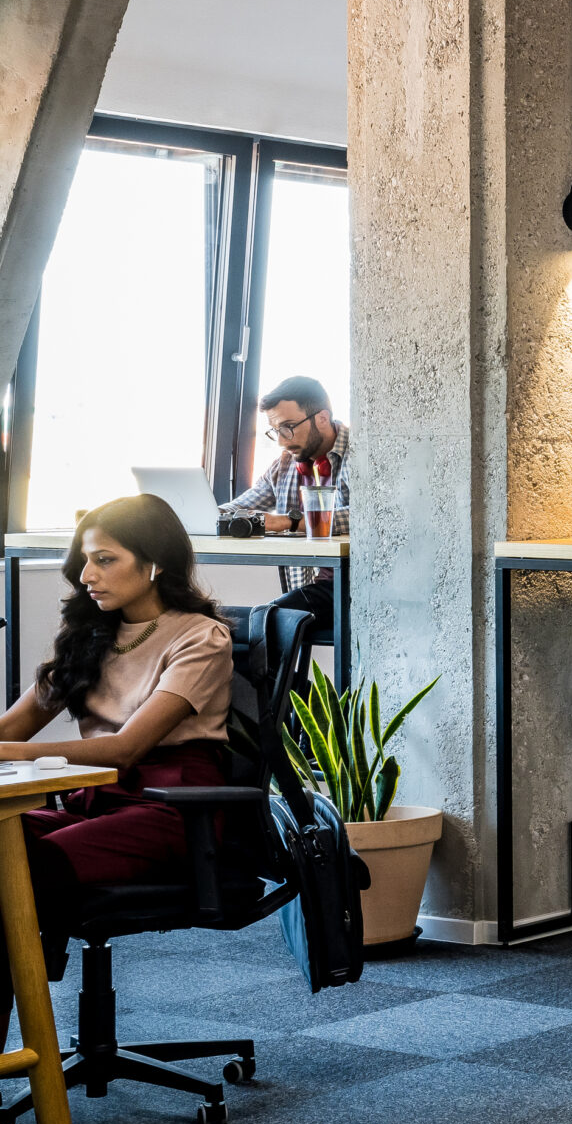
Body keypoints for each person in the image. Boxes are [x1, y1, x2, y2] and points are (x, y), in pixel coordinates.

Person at [0, 495, 234, 936]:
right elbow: (12, 727)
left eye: (105, 560)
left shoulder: (202, 638)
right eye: (85, 561)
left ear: (156, 562)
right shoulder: (90, 634)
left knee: (18, 867)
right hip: (93, 802)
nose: (87, 575)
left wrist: (8, 753)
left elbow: (126, 750)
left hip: (168, 810)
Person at [218, 376, 349, 635]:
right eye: (276, 430)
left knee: (264, 621)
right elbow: (242, 506)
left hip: (356, 587)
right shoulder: (285, 464)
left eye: (288, 427)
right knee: (231, 621)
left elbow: (372, 518)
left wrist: (289, 521)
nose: (281, 440)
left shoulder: (363, 454)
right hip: (310, 589)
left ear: (322, 418)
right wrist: (210, 517)